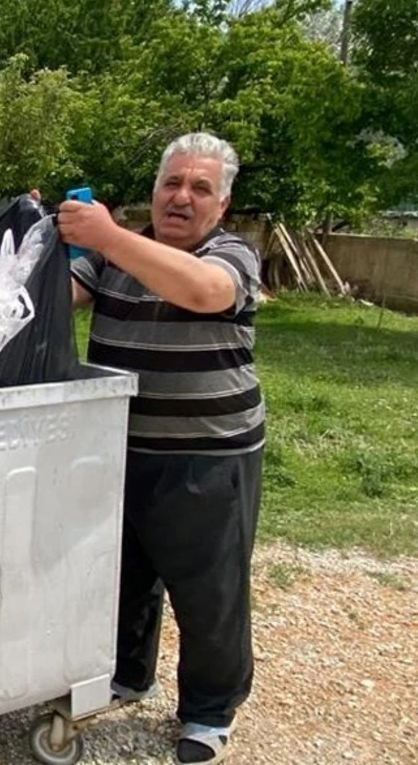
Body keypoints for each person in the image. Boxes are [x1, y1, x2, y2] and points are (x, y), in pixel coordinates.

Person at [56, 133, 264, 765]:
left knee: (209, 592)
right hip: (118, 446)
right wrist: (35, 242)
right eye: (172, 183)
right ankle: (127, 674)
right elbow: (59, 297)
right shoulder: (110, 255)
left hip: (208, 453)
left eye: (200, 188)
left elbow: (203, 292)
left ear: (222, 204)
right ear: (154, 191)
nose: (182, 198)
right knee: (125, 576)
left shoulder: (231, 254)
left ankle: (207, 713)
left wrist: (109, 234)